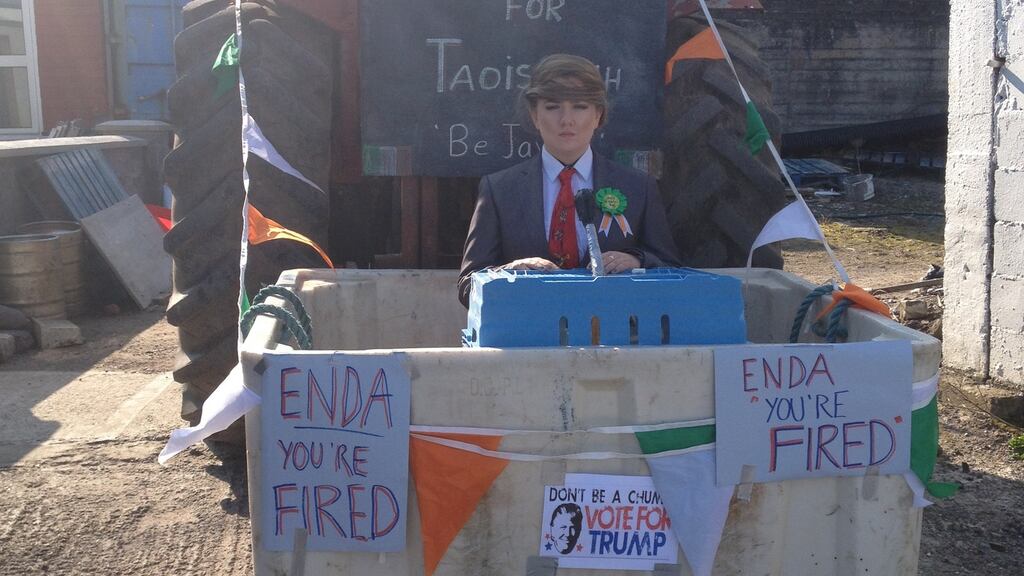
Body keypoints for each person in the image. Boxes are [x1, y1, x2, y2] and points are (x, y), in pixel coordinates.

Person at [458, 54, 681, 307]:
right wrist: (508, 272)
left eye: (580, 106)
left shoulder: (639, 187)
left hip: (613, 336)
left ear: (598, 115)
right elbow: (468, 285)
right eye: (552, 107)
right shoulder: (498, 189)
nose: (566, 120)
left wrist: (638, 261)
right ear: (534, 115)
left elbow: (671, 269)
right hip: (528, 336)